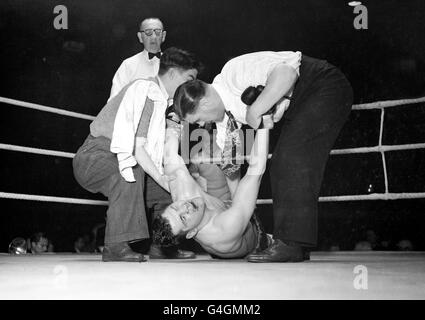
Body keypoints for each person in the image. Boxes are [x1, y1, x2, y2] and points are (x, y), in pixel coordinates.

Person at [173, 51, 353, 262]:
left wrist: (255, 110)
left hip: (321, 84)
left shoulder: (233, 72)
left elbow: (286, 73)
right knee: (285, 160)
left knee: (288, 160)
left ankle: (290, 243)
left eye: (199, 120)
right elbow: (231, 169)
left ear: (203, 104)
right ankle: (297, 244)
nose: (203, 125)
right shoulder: (224, 125)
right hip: (298, 104)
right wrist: (243, 210)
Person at [72, 47, 202, 262]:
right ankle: (115, 246)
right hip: (95, 156)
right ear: (172, 74)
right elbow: (136, 149)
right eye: (189, 78)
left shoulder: (163, 103)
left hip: (126, 159)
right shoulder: (146, 91)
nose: (191, 86)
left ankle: (162, 245)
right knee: (132, 171)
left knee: (167, 193)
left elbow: (158, 154)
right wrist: (160, 177)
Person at [152, 114, 275, 259]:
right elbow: (255, 172)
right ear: (191, 233)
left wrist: (174, 117)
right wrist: (263, 123)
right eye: (183, 218)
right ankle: (269, 239)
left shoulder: (182, 194)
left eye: (175, 207)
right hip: (252, 239)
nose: (185, 207)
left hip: (225, 207)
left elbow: (170, 154)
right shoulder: (225, 228)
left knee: (219, 168)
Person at [109, 17, 166, 101]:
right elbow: (114, 100)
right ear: (140, 37)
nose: (153, 37)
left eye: (157, 32)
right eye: (148, 32)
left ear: (163, 36)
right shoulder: (128, 65)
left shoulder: (173, 65)